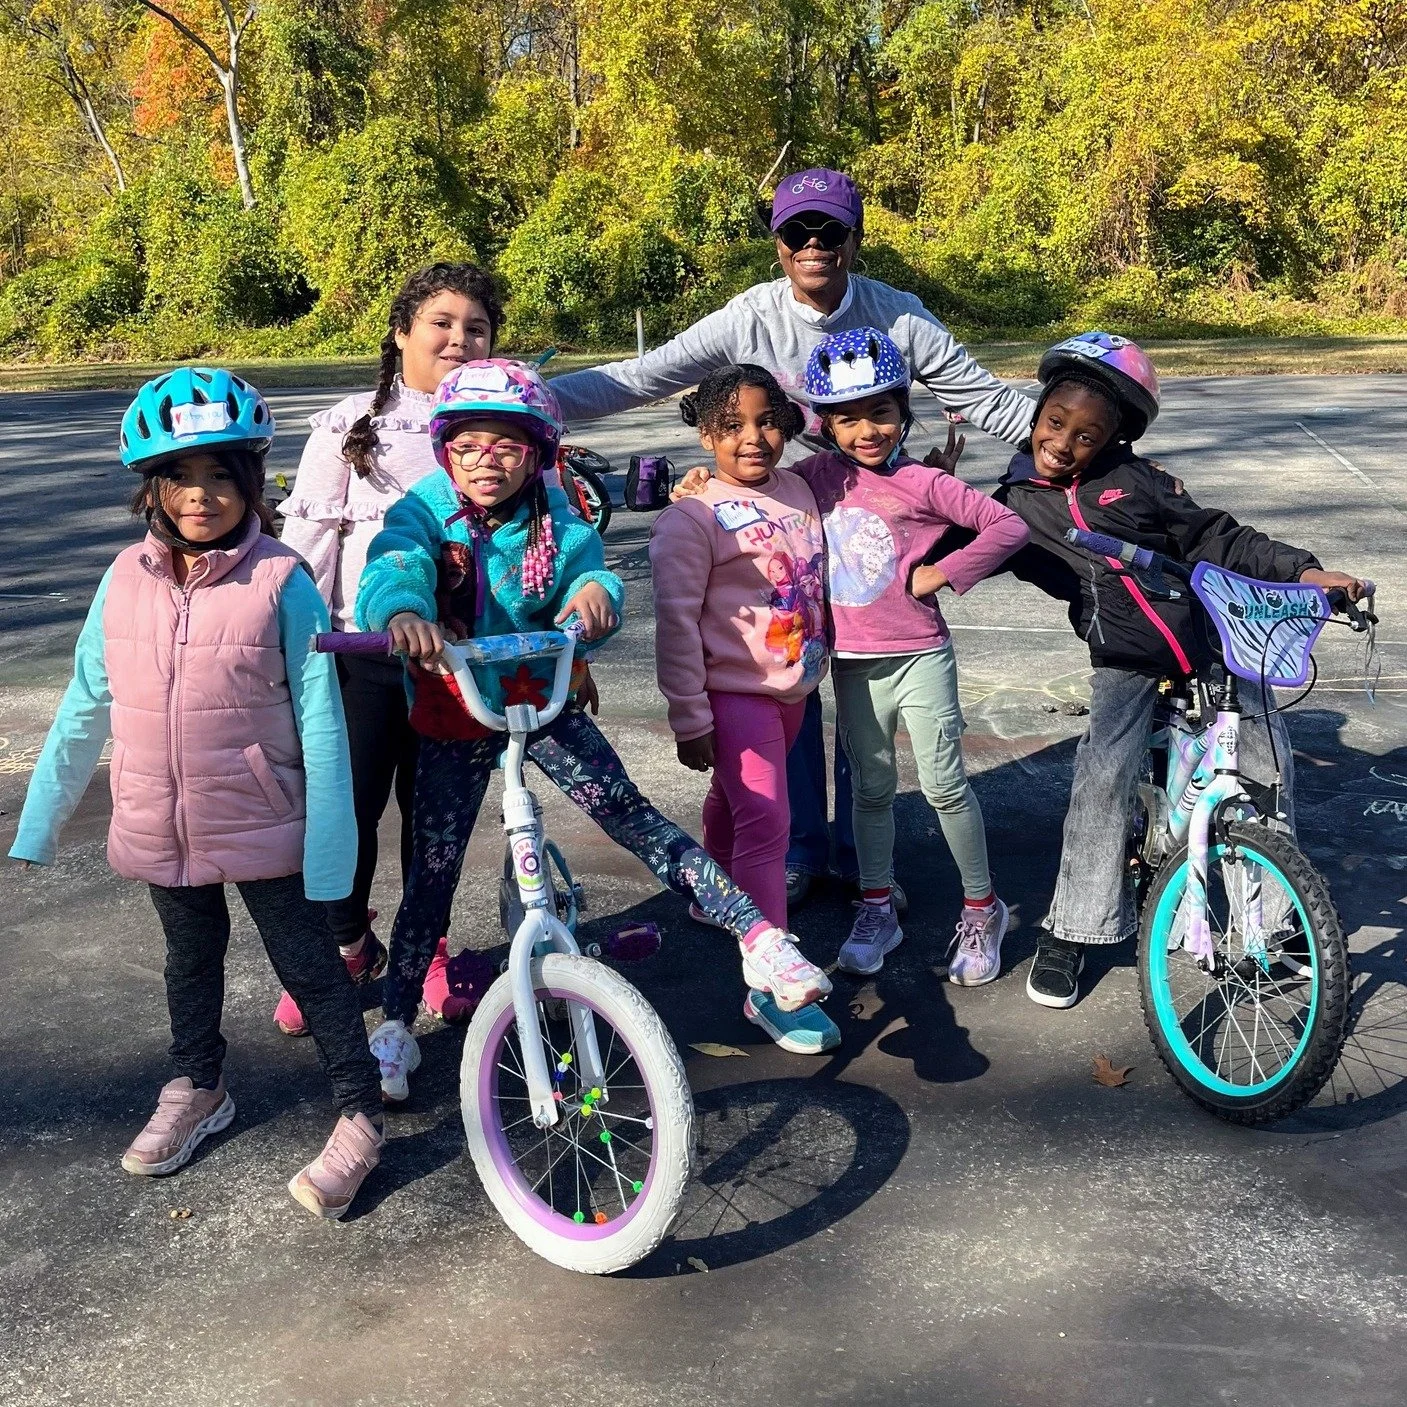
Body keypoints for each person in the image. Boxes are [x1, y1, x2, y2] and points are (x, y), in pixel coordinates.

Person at [551, 167, 1035, 910]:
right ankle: (800, 851)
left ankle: (862, 861)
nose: (812, 244)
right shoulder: (750, 316)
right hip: (789, 520)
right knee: (790, 680)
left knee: (865, 704)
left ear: (855, 237)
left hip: (869, 528)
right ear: (776, 241)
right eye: (795, 231)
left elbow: (985, 398)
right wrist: (525, 402)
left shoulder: (899, 317)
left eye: (829, 230)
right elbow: (641, 377)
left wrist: (1092, 448)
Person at [354, 360, 836, 1099]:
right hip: (457, 708)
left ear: (538, 454)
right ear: (446, 449)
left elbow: (588, 567)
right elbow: (395, 562)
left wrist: (592, 595)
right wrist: (403, 611)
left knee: (629, 812)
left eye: (507, 446)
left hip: (541, 698)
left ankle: (758, 936)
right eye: (469, 445)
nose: (487, 461)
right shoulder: (425, 507)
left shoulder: (551, 512)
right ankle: (394, 1021)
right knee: (433, 868)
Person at [8, 369, 385, 1219]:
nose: (200, 494)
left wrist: (331, 852)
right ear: (152, 488)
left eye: (221, 474)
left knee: (310, 967)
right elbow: (85, 700)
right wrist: (42, 821)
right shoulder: (123, 578)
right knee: (189, 959)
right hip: (160, 819)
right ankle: (198, 1084)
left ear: (251, 482)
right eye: (179, 476)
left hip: (263, 818)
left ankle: (360, 1110)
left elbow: (321, 722)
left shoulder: (281, 580)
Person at [990, 333, 1369, 1009]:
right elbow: (963, 539)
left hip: (1212, 640)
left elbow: (1218, 537)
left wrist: (1306, 572)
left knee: (1264, 766)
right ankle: (1074, 928)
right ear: (1037, 412)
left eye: (1086, 435)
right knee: (1102, 774)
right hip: (1125, 656)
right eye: (1055, 422)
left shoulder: (1139, 484)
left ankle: (1271, 923)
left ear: (1113, 440)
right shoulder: (1016, 499)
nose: (1063, 442)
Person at [674, 329, 1030, 986]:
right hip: (852, 663)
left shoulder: (923, 481)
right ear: (824, 425)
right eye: (847, 418)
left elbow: (1008, 525)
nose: (866, 430)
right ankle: (875, 906)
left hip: (920, 656)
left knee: (944, 785)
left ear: (903, 411)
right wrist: (697, 486)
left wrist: (944, 572)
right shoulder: (811, 478)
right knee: (869, 790)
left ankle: (983, 907)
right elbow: (751, 489)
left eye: (880, 412)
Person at [272, 262, 503, 1035]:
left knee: (433, 824)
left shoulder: (501, 431)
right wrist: (291, 650)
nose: (459, 338)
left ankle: (425, 947)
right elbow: (305, 551)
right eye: (441, 322)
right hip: (360, 660)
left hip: (457, 668)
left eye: (476, 327)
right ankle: (344, 945)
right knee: (345, 816)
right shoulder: (348, 426)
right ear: (401, 332)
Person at [651, 365, 838, 1053]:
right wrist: (689, 716)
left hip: (793, 688)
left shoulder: (799, 487)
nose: (752, 437)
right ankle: (770, 986)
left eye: (766, 421)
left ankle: (714, 892)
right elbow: (675, 622)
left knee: (736, 801)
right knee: (768, 823)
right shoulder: (691, 516)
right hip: (733, 693)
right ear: (705, 434)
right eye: (731, 426)